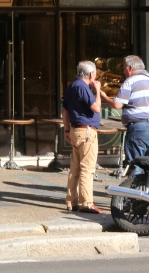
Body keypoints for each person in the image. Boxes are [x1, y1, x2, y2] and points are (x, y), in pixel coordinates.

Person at [101, 55, 149, 174]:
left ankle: (134, 186)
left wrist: (104, 97)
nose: (123, 71)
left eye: (124, 68)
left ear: (130, 68)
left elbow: (117, 105)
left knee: (135, 165)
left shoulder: (130, 81)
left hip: (139, 128)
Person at [61, 61, 103, 214]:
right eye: (95, 73)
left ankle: (71, 201)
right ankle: (86, 203)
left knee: (75, 169)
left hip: (75, 130)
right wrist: (97, 90)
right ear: (91, 74)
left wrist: (67, 129)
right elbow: (96, 108)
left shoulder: (72, 86)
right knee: (87, 168)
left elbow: (64, 110)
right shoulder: (83, 87)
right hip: (86, 132)